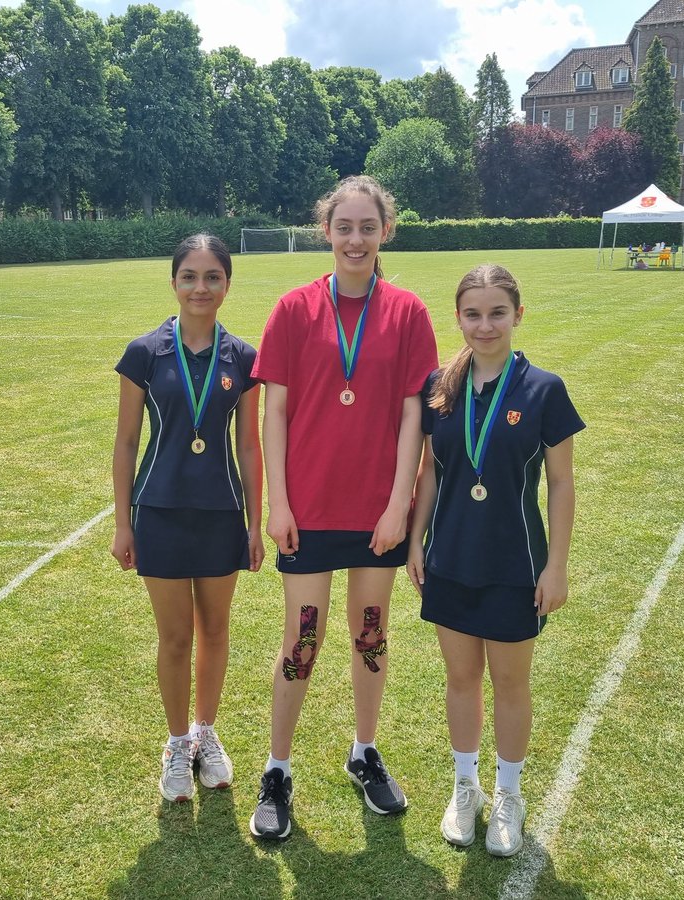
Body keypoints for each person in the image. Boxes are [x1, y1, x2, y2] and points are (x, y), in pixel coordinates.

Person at [248, 175, 438, 840]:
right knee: (302, 638)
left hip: (376, 514)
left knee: (370, 636)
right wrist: (278, 504)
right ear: (325, 231)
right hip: (309, 509)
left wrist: (398, 504)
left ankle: (364, 752)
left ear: (386, 231)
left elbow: (415, 412)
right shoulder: (293, 309)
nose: (355, 239)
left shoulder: (409, 312)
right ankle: (277, 769)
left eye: (368, 227)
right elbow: (273, 410)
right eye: (344, 227)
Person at [406, 263, 584, 855]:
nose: (485, 326)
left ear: (517, 315)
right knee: (460, 680)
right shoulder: (441, 386)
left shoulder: (544, 390)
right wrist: (415, 539)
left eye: (497, 313)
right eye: (473, 314)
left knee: (511, 684)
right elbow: (430, 469)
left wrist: (556, 564)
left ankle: (509, 794)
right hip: (451, 559)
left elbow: (561, 483)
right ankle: (466, 789)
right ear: (457, 318)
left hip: (515, 564)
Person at [111, 233, 264, 803]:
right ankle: (177, 743)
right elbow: (127, 442)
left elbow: (249, 447)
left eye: (213, 277)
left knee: (215, 631)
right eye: (190, 277)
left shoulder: (244, 357)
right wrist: (123, 522)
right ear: (174, 282)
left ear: (227, 283)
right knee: (175, 637)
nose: (201, 287)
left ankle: (205, 732)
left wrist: (254, 522)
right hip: (159, 513)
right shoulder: (144, 353)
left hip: (221, 514)